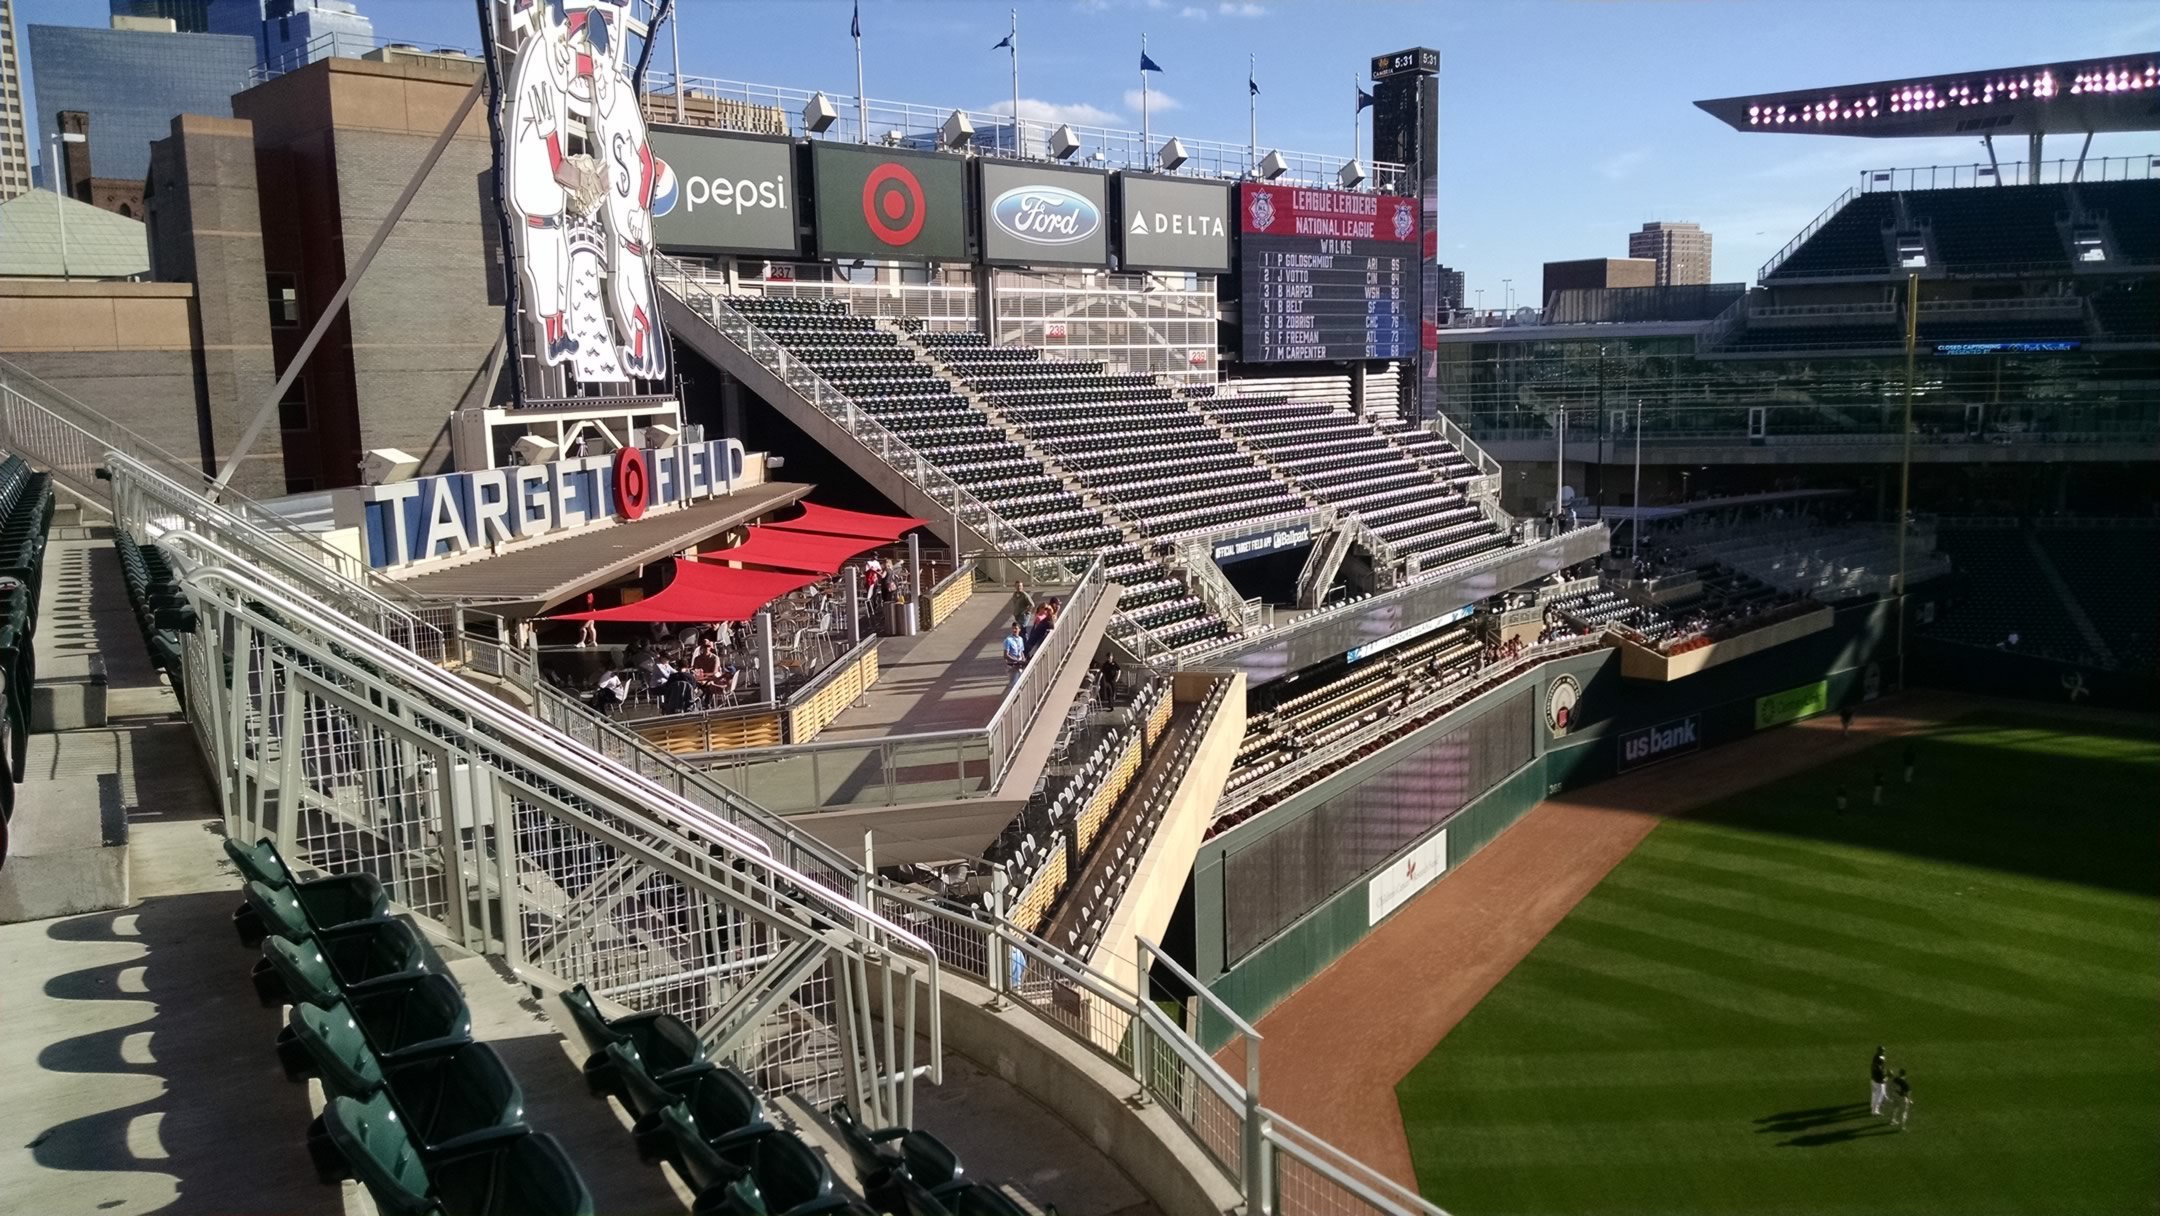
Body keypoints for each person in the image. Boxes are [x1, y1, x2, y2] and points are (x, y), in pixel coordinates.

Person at [1002, 622, 1028, 689]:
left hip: (1020, 665)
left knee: (1021, 683)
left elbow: (1021, 651)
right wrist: (1017, 661)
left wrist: (1023, 660)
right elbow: (1006, 655)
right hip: (1012, 666)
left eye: (1016, 628)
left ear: (1019, 629)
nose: (1014, 630)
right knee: (1013, 684)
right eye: (1013, 628)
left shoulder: (1020, 639)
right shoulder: (1008, 640)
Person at [1870, 1046, 1889, 1115]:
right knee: (1879, 1096)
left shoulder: (1877, 1057)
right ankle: (1875, 1111)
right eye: (1882, 1051)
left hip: (1873, 1080)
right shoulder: (1879, 1068)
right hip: (1878, 1082)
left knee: (1874, 1094)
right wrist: (1887, 1076)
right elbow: (1882, 1077)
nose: (1883, 1052)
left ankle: (1872, 1106)